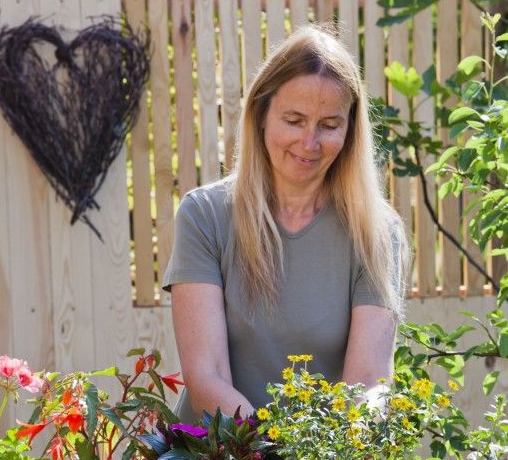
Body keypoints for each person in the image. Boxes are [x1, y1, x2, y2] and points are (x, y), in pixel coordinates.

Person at [163, 24, 409, 424]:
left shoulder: (377, 234)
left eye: (329, 125)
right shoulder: (204, 215)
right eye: (294, 120)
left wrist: (357, 439)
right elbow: (207, 376)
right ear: (261, 115)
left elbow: (367, 380)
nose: (309, 143)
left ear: (350, 130)